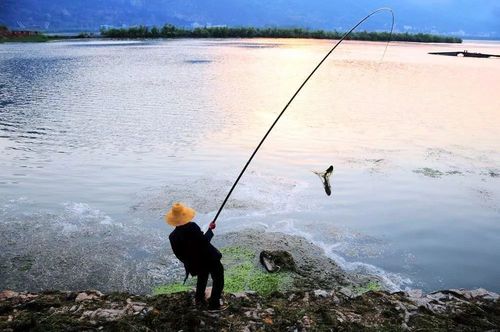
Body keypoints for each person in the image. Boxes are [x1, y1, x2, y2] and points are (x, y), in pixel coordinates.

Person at [166, 202, 224, 310]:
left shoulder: (172, 237)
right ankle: (214, 304)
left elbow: (179, 255)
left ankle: (199, 300)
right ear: (184, 216)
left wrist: (191, 262)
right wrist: (210, 229)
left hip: (195, 263)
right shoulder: (192, 227)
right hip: (209, 259)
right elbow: (204, 242)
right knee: (218, 279)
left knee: (202, 278)